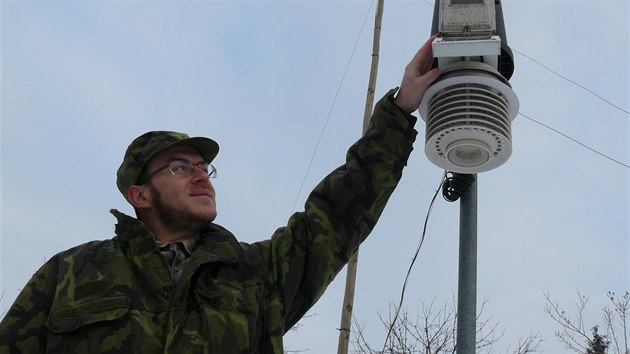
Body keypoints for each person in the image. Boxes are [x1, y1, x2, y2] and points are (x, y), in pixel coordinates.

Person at [0, 35, 441, 353]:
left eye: (203, 167)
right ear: (140, 195)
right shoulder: (71, 274)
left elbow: (337, 213)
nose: (200, 176)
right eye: (179, 167)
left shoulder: (256, 274)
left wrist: (400, 110)